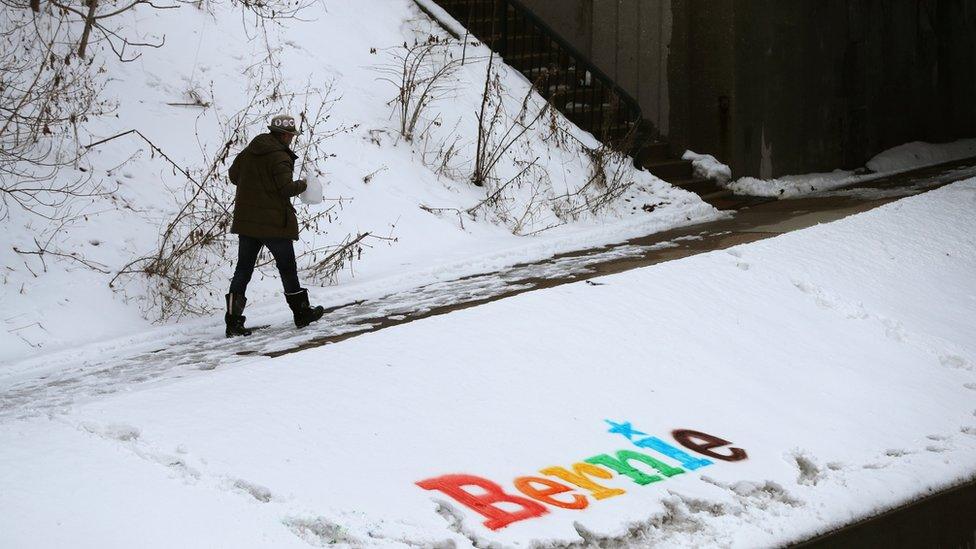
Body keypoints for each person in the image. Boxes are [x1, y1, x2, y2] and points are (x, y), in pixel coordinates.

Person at [224, 114, 325, 338]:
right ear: (286, 135)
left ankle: (233, 323)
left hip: (248, 222)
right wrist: (305, 184)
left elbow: (233, 176)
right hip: (273, 225)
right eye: (291, 135)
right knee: (287, 268)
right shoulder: (280, 156)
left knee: (243, 269)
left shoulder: (251, 150)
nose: (292, 138)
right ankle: (301, 313)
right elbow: (285, 189)